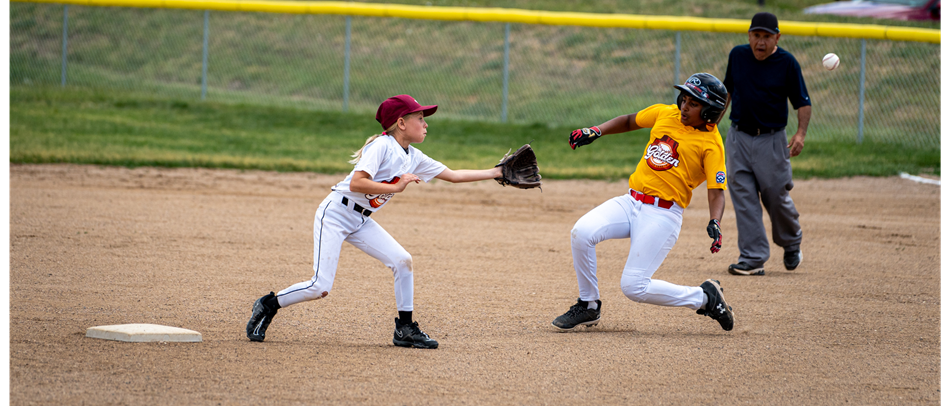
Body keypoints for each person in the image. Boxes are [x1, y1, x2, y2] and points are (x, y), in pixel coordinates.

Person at [246, 94, 506, 349]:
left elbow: (454, 175)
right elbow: (357, 182)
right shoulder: (381, 146)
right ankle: (269, 304)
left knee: (402, 260)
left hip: (360, 220)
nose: (426, 124)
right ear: (401, 123)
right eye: (420, 118)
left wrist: (497, 172)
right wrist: (397, 187)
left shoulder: (413, 156)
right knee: (320, 287)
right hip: (335, 214)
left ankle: (405, 329)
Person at [554, 73, 735, 333]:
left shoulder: (712, 144)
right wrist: (597, 130)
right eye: (684, 99)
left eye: (694, 103)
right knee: (581, 232)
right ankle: (588, 305)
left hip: (662, 215)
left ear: (710, 112)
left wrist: (715, 221)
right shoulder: (666, 113)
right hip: (631, 201)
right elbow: (629, 121)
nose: (685, 106)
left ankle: (705, 298)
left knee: (633, 287)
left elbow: (716, 190)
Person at [723, 12, 811, 276]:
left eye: (767, 36)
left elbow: (803, 103)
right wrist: (710, 125)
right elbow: (727, 91)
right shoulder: (737, 56)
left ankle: (791, 241)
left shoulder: (787, 63)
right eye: (756, 35)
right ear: (749, 35)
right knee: (744, 197)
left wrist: (800, 134)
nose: (760, 42)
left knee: (775, 195)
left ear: (777, 38)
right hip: (738, 137)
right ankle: (752, 257)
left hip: (772, 140)